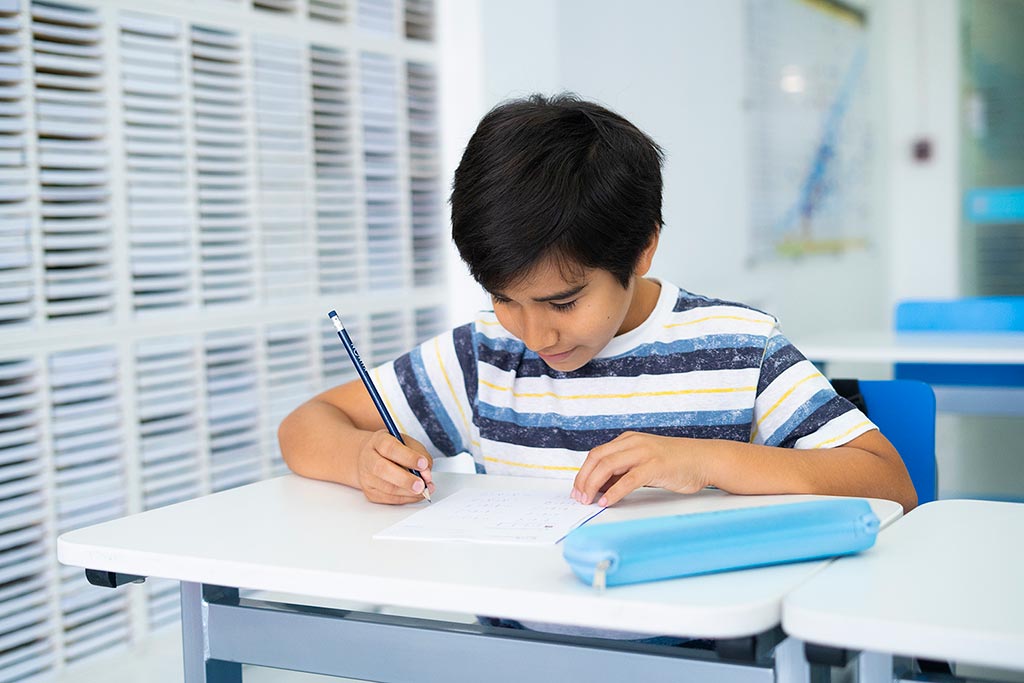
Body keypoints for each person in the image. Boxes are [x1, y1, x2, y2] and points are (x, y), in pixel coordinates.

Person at [278, 93, 917, 517]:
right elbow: (307, 426)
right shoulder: (484, 355)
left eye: (563, 301)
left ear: (641, 250)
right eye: (504, 297)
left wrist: (704, 460)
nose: (534, 333)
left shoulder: (735, 347)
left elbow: (889, 483)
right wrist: (359, 460)